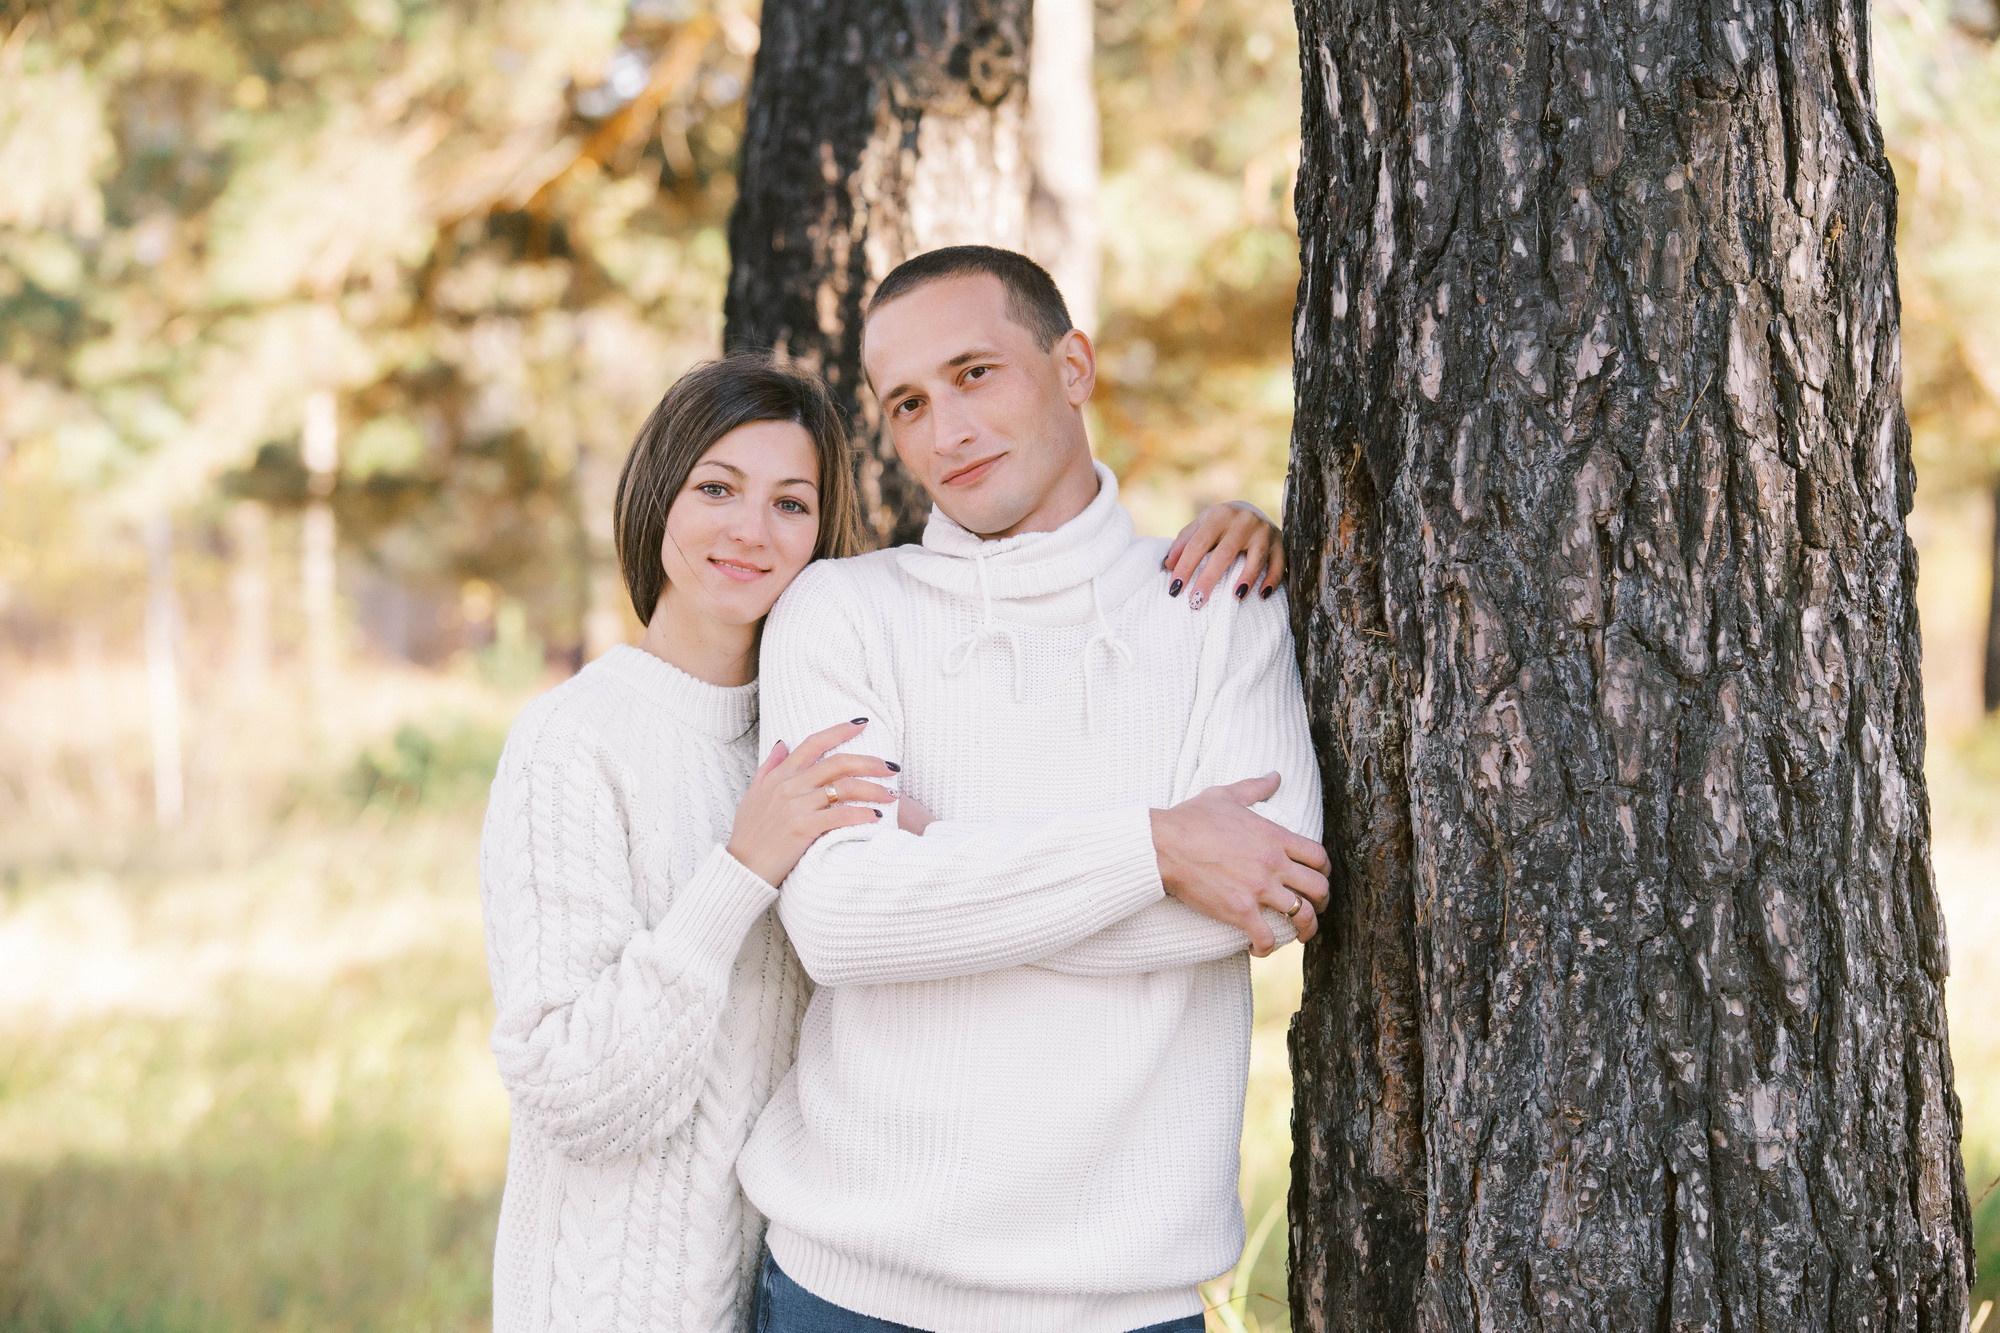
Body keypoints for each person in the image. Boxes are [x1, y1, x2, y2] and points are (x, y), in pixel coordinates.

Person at [477, 354, 1289, 1333]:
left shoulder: (827, 719)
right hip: (616, 1303)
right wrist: (740, 872)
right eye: (716, 489)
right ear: (657, 496)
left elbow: (939, 908)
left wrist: (1238, 527)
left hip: (782, 1281)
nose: (748, 529)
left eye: (789, 502)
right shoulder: (574, 739)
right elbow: (576, 1096)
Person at [738, 246, 1329, 1333]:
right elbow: (841, 921)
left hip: (1122, 1301)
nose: (945, 431)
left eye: (974, 374)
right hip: (852, 1286)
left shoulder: (1217, 603)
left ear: (1070, 365)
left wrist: (935, 849)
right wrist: (1152, 849)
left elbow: (1268, 890)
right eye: (907, 403)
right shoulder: (840, 611)